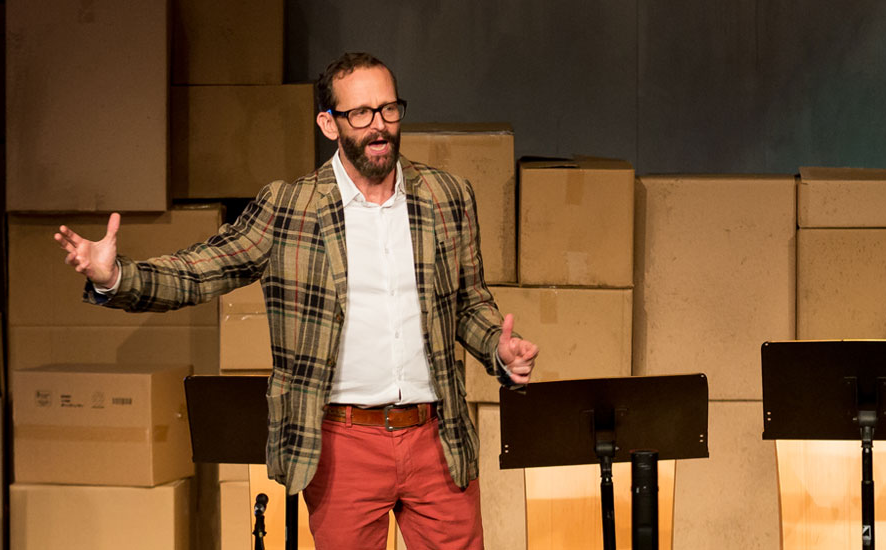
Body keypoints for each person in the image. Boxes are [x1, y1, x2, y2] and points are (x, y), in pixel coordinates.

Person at [51, 52, 537, 550]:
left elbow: (469, 303)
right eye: (361, 114)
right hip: (344, 443)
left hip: (437, 436)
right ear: (329, 124)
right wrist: (115, 275)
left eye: (389, 110)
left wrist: (500, 351)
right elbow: (202, 270)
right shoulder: (289, 207)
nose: (379, 127)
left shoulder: (446, 195)